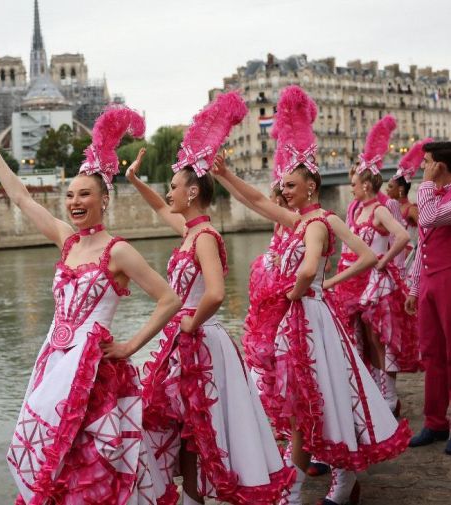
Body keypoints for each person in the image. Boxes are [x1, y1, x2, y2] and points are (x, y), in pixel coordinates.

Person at [0, 105, 180, 504]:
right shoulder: (67, 240)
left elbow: (169, 299)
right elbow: (21, 197)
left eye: (84, 195)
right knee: (51, 453)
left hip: (95, 372)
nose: (74, 202)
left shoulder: (120, 252)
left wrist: (131, 345)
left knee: (94, 458)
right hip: (54, 362)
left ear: (104, 200)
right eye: (69, 195)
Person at [212, 85, 410, 505]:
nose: (282, 191)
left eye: (288, 184)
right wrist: (225, 175)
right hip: (300, 317)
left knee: (319, 398)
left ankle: (317, 484)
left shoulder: (320, 222)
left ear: (310, 187)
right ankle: (335, 479)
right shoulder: (297, 221)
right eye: (283, 185)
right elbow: (256, 202)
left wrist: (310, 287)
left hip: (309, 319)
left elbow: (327, 263)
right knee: (311, 400)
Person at [128, 92, 294, 505]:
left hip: (200, 339)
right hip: (183, 339)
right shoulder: (189, 232)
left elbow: (217, 293)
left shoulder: (205, 236)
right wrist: (133, 180)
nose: (168, 193)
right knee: (185, 423)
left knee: (207, 423)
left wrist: (189, 322)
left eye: (173, 186)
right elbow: (157, 208)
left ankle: (203, 495)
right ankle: (192, 497)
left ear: (191, 193)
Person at [332, 116, 419, 417]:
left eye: (354, 183)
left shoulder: (380, 209)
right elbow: (347, 245)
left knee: (380, 337)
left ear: (366, 184)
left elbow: (404, 235)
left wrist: (382, 260)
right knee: (360, 338)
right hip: (354, 282)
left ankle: (389, 395)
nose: (350, 187)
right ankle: (369, 389)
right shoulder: (355, 209)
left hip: (375, 284)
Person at [405, 141, 451, 456]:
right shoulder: (433, 196)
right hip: (431, 282)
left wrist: (424, 185)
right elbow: (422, 246)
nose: (423, 167)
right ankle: (435, 422)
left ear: (441, 165)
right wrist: (414, 288)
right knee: (432, 354)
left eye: (427, 163)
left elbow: (429, 219)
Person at [387, 138, 432, 288]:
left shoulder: (411, 209)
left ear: (400, 190)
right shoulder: (388, 208)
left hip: (409, 262)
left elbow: (427, 232)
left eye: (390, 186)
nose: (387, 190)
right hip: (393, 258)